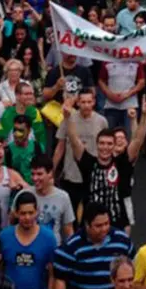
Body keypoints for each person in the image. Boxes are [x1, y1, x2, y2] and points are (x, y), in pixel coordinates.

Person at [63, 99, 146, 232]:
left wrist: (144, 116)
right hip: (91, 226)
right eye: (102, 143)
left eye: (109, 144)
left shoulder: (122, 163)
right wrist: (68, 117)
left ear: (114, 145)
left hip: (117, 225)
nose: (105, 147)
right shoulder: (88, 162)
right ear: (97, 145)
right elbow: (74, 139)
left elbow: (138, 140)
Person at [53, 202, 134, 289]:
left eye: (106, 223)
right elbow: (60, 284)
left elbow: (135, 272)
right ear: (87, 225)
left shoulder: (122, 241)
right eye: (98, 226)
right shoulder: (71, 247)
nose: (104, 229)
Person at [53, 88, 108, 216]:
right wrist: (53, 169)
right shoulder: (67, 119)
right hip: (71, 175)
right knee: (70, 215)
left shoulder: (102, 121)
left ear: (94, 102)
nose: (86, 105)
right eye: (83, 102)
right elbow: (60, 147)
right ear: (77, 103)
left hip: (93, 176)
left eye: (89, 102)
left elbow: (107, 149)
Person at [0, 191, 57, 289]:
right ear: (16, 213)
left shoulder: (48, 238)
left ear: (37, 212)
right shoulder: (4, 236)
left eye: (31, 213)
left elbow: (53, 275)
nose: (27, 217)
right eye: (23, 213)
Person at [12, 155, 75, 243]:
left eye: (39, 174)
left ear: (50, 173)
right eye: (33, 174)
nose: (35, 178)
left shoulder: (63, 197)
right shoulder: (23, 194)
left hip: (53, 249)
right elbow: (11, 221)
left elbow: (68, 229)